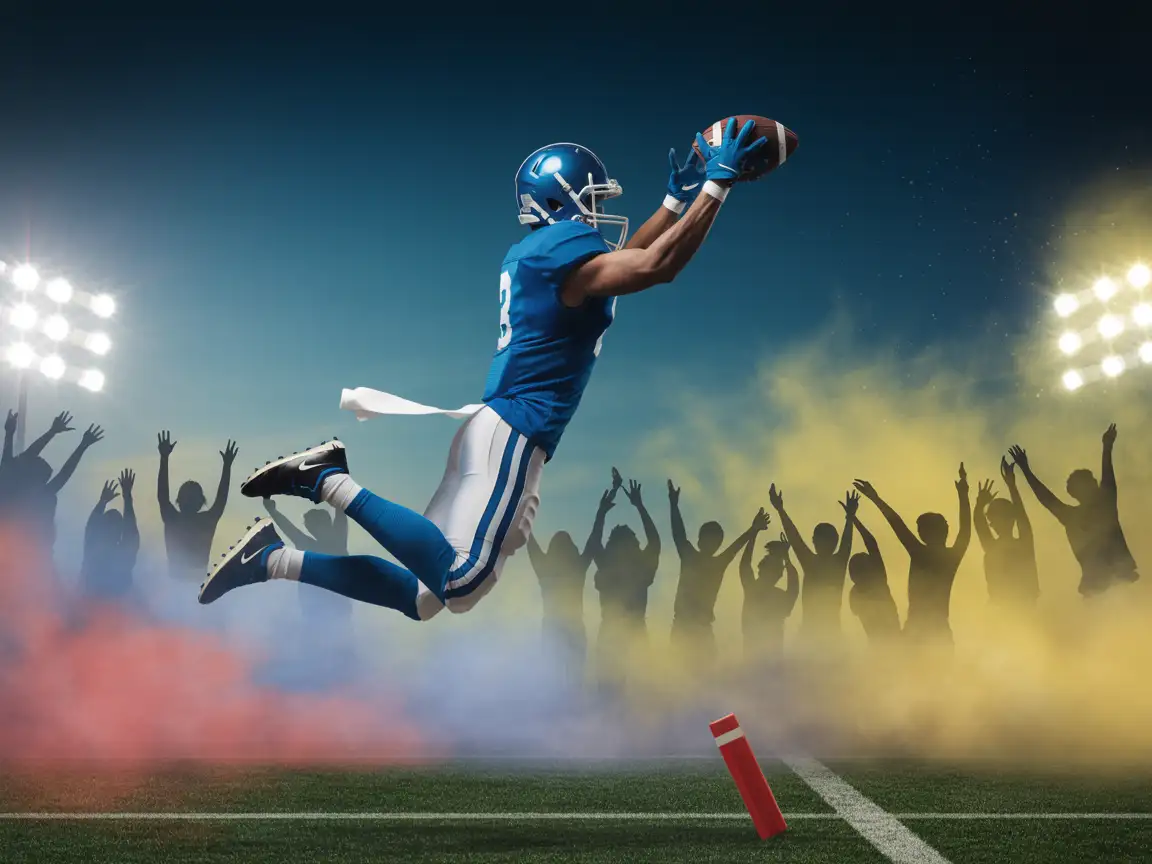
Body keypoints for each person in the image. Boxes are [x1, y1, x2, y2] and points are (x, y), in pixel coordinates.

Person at [199, 120, 772, 620]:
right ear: (561, 201)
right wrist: (716, 186)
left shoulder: (548, 256)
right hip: (517, 429)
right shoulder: (560, 251)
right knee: (461, 582)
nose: (599, 212)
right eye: (591, 198)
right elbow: (654, 266)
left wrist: (673, 203)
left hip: (494, 428)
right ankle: (323, 478)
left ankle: (271, 559)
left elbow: (628, 264)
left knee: (424, 595)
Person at [1009, 425, 1138, 596]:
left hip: (1118, 584)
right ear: (1078, 491)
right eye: (1090, 482)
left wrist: (1107, 447)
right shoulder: (1076, 515)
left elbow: (1107, 477)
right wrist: (1026, 470)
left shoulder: (1102, 506)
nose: (1096, 484)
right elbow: (1046, 498)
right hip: (1098, 588)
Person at [853, 465, 971, 645]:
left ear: (925, 533)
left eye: (921, 529)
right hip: (934, 630)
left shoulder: (921, 553)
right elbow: (965, 530)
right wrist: (963, 494)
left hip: (920, 630)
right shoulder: (948, 557)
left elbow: (897, 524)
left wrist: (876, 499)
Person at [527, 478, 616, 692]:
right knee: (572, 677)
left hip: (557, 626)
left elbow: (528, 538)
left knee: (556, 678)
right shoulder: (576, 568)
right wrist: (601, 512)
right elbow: (593, 540)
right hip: (570, 626)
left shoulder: (545, 569)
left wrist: (520, 512)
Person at [668, 477, 768, 668]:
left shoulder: (714, 564)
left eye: (714, 541)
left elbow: (735, 547)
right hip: (683, 628)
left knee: (702, 674)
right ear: (700, 540)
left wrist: (753, 530)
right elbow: (678, 533)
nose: (710, 544)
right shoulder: (691, 556)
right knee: (681, 673)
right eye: (708, 539)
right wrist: (673, 505)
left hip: (701, 630)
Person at [768, 485, 857, 645]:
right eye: (822, 539)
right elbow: (795, 538)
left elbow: (795, 538)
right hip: (816, 636)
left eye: (827, 540)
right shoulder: (821, 563)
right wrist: (850, 517)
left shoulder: (825, 563)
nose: (824, 543)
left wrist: (780, 510)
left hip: (827, 636)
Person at [157, 430, 238, 581]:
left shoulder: (175, 518)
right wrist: (227, 467)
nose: (189, 500)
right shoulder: (203, 520)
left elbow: (162, 496)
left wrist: (164, 458)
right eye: (187, 496)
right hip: (188, 585)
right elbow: (221, 498)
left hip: (184, 584)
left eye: (191, 497)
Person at [973, 457, 1039, 610]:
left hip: (1021, 608)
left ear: (1010, 518)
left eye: (995, 519)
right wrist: (979, 505)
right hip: (1001, 608)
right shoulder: (994, 546)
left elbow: (1021, 515)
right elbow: (980, 524)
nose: (992, 524)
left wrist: (1011, 486)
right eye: (991, 520)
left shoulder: (1022, 543)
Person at [81, 470, 140, 601]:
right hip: (102, 604)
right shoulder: (99, 549)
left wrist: (103, 502)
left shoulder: (93, 548)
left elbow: (91, 527)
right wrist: (127, 497)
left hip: (107, 605)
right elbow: (130, 530)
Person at [844, 506, 900, 645]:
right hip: (890, 644)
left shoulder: (855, 593)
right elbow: (872, 545)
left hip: (882, 644)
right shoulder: (877, 584)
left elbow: (872, 546)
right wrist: (853, 519)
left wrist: (852, 519)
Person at [739, 531, 799, 661]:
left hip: (763, 661)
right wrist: (786, 558)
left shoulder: (753, 589)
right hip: (765, 662)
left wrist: (754, 532)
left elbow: (744, 564)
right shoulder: (757, 590)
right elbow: (794, 586)